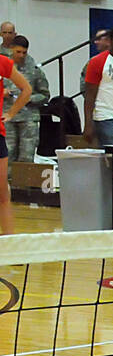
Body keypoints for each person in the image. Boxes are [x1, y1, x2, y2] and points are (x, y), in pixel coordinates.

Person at [0, 45, 29, 236]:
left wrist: (10, 113)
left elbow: (26, 89)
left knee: (2, 194)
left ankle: (11, 245)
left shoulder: (2, 62)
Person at [2, 37, 45, 165]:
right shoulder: (3, 66)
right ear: (11, 49)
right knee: (7, 153)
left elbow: (44, 95)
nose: (21, 55)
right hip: (7, 115)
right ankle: (6, 183)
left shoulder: (35, 70)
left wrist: (28, 98)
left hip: (28, 118)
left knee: (27, 154)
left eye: (24, 52)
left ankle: (23, 184)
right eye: (18, 52)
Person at [79, 29, 111, 98]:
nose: (95, 42)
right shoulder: (93, 62)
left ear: (109, 41)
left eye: (99, 39)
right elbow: (84, 86)